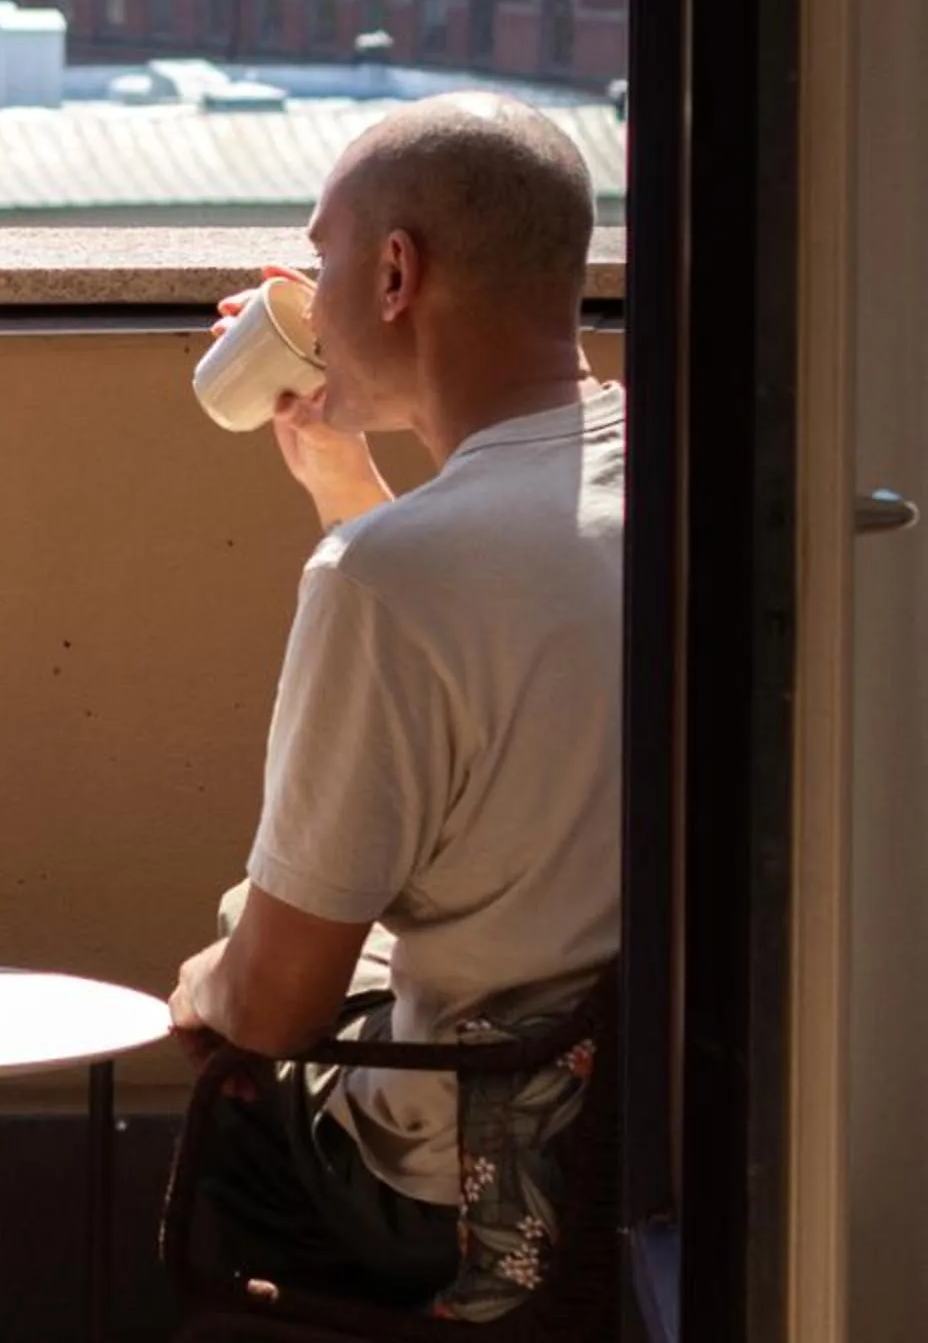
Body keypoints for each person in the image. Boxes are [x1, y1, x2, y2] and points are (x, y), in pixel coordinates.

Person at [168, 93, 622, 1313]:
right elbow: (510, 611)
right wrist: (345, 483)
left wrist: (203, 980)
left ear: (395, 272)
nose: (306, 293)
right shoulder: (684, 477)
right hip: (669, 1145)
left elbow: (277, 1002)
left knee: (231, 1020)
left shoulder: (388, 582)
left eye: (321, 256)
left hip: (473, 1189)